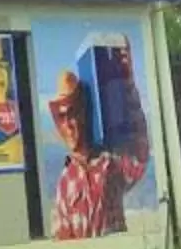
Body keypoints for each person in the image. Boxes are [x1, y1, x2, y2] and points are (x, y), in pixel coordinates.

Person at [47, 67, 149, 239]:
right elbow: (63, 240)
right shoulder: (65, 182)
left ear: (84, 114)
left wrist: (129, 88)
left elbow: (140, 158)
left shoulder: (110, 164)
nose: (69, 125)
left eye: (72, 114)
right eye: (61, 117)